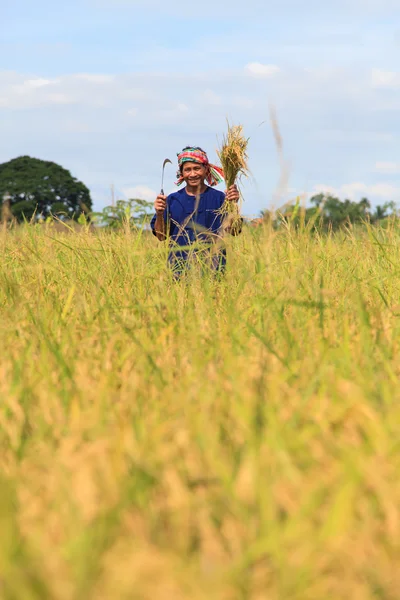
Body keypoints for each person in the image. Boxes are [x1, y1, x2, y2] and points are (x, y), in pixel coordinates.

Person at [151, 146, 241, 277]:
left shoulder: (220, 198)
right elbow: (161, 236)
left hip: (213, 274)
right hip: (178, 274)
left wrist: (232, 204)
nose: (192, 174)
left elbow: (234, 231)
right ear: (182, 173)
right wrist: (159, 214)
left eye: (197, 168)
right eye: (187, 170)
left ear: (206, 170)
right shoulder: (171, 200)